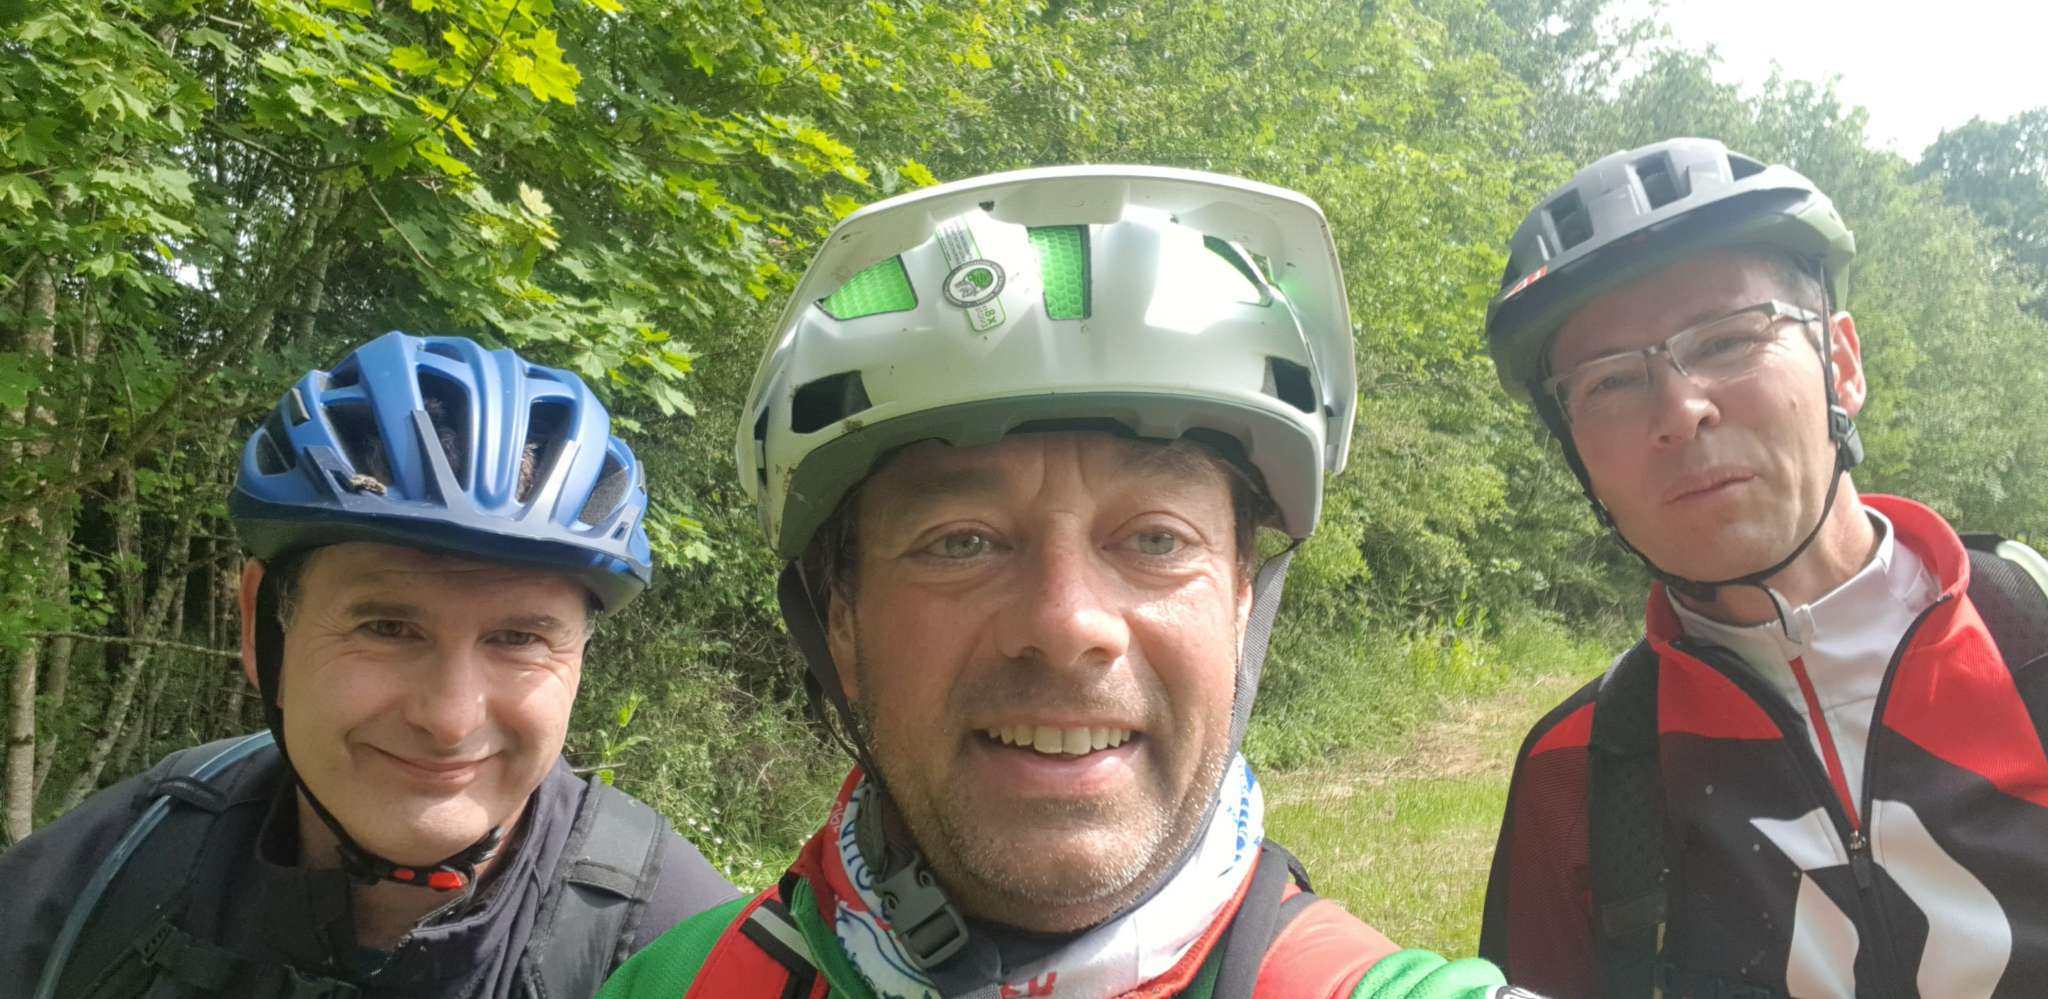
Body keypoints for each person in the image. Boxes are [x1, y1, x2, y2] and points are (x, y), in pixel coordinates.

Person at [597, 166, 1534, 999]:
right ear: (841, 622)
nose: (1066, 620)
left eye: (1156, 539)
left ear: (1242, 600)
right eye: (961, 541)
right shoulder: (675, 985)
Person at [1477, 136, 2048, 998]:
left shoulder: (2031, 646)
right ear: (1579, 459)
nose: (1680, 410)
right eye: (1609, 383)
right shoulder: (1577, 776)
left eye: (1728, 339)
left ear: (1840, 365)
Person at [1, 332, 737, 998]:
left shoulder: (690, 957)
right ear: (263, 630)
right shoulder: (101, 879)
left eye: (519, 639)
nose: (449, 720)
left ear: (577, 661)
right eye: (387, 627)